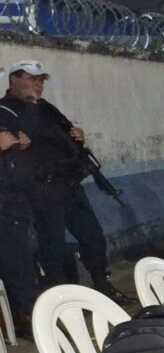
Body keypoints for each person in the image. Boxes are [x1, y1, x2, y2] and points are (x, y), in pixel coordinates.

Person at [1, 60, 130, 304]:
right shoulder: (5, 109)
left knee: (93, 237)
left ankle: (103, 286)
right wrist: (30, 104)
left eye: (40, 80)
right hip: (41, 189)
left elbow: (65, 132)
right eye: (31, 79)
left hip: (68, 183)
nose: (37, 85)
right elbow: (21, 137)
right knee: (53, 247)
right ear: (14, 79)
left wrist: (78, 136)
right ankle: (61, 301)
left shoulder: (46, 107)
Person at [0, 101, 38, 335]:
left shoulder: (5, 114)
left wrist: (18, 145)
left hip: (12, 199)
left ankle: (26, 317)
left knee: (19, 259)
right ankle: (26, 317)